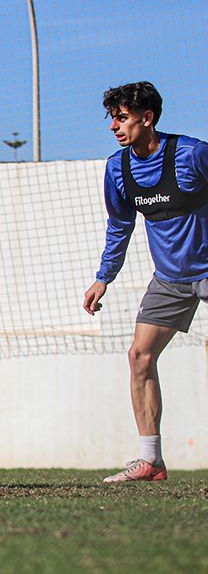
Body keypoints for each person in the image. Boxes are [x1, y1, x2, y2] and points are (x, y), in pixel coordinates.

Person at [83, 81, 208, 483]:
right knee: (140, 357)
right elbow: (119, 226)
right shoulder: (117, 169)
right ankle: (151, 461)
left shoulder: (192, 154)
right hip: (170, 280)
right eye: (113, 119)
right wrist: (104, 278)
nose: (114, 127)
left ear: (147, 118)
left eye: (122, 118)